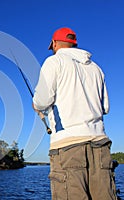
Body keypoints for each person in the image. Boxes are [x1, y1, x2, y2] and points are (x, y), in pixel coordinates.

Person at [32, 27, 118, 200]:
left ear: (55, 44)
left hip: (68, 148)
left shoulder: (54, 61)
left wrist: (36, 105)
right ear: (74, 43)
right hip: (100, 147)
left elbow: (42, 101)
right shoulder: (96, 68)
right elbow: (105, 108)